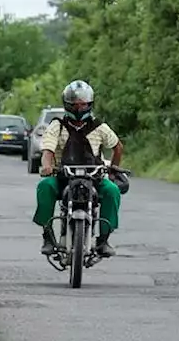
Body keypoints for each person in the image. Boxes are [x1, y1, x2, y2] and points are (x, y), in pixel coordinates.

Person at [33, 80, 124, 257]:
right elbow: (48, 150)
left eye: (83, 105)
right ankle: (47, 235)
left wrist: (112, 170)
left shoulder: (99, 127)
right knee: (44, 187)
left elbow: (118, 147)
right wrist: (47, 166)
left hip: (94, 178)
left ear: (90, 105)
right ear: (67, 105)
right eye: (75, 105)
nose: (79, 108)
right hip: (63, 177)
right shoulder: (57, 126)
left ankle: (104, 239)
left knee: (112, 190)